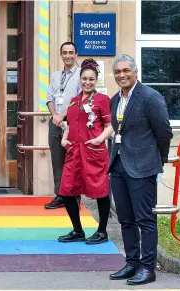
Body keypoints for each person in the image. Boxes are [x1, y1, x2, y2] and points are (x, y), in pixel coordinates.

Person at [108, 54, 173, 285]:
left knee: (145, 220)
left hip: (143, 167)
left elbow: (164, 132)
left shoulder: (150, 97)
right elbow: (117, 131)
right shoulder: (114, 99)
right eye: (118, 72)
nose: (122, 75)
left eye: (126, 70)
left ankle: (148, 268)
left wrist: (159, 161)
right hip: (118, 166)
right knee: (125, 220)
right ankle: (132, 263)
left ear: (136, 72)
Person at [57, 58, 113, 244]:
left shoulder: (102, 100)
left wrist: (99, 139)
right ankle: (77, 230)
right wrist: (65, 139)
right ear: (79, 79)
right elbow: (70, 125)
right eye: (84, 78)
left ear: (96, 80)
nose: (87, 82)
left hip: (93, 152)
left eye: (91, 79)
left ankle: (102, 231)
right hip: (74, 152)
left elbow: (110, 125)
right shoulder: (73, 101)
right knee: (66, 190)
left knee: (100, 191)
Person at [45, 42, 82, 209]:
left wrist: (62, 115)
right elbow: (49, 98)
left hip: (72, 123)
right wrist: (55, 115)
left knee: (74, 160)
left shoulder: (82, 75)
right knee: (57, 160)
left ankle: (74, 196)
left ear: (76, 54)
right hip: (55, 123)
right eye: (65, 53)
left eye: (71, 52)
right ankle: (60, 195)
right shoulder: (55, 75)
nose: (68, 55)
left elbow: (79, 100)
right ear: (61, 55)